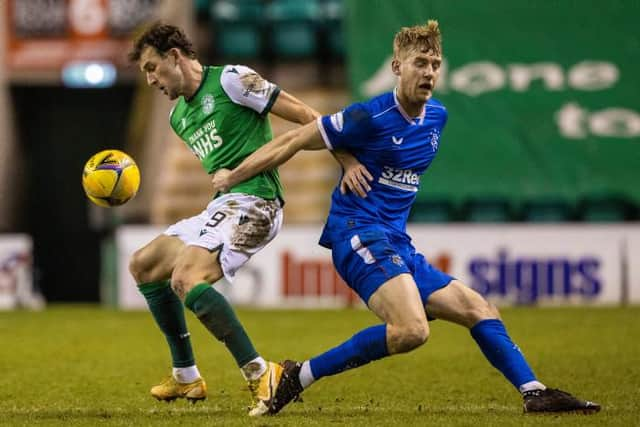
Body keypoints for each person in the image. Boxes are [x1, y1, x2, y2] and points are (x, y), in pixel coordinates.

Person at [211, 20, 601, 415]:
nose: (429, 72)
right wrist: (234, 175)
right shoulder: (368, 116)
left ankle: (535, 392)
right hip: (357, 234)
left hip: (397, 243)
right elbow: (295, 138)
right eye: (419, 63)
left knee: (478, 308)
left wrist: (348, 159)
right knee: (412, 331)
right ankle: (296, 376)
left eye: (435, 64)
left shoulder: (438, 118)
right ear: (397, 67)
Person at [127, 22, 366, 416]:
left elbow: (306, 115)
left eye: (152, 68)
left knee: (185, 278)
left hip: (257, 202)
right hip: (223, 204)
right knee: (144, 264)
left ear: (175, 56)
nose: (151, 79)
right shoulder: (177, 118)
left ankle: (262, 374)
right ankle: (186, 375)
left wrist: (345, 158)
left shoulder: (233, 81)